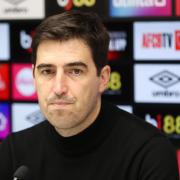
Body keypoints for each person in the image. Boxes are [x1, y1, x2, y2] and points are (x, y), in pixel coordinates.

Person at [0, 10, 179, 180]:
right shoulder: (13, 152)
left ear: (103, 78)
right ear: (33, 76)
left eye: (75, 71)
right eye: (47, 71)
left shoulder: (148, 153)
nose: (59, 88)